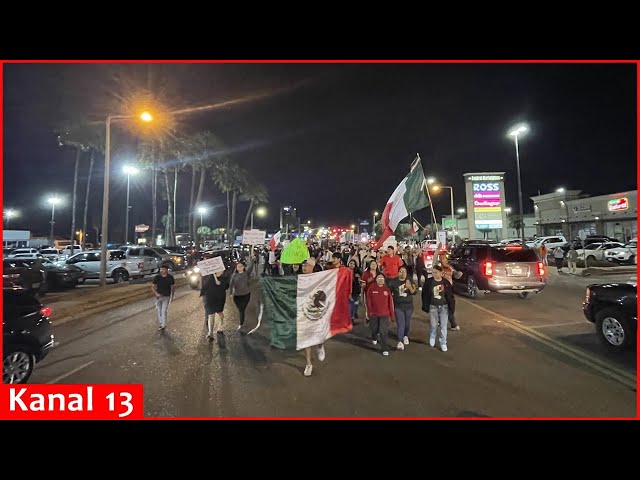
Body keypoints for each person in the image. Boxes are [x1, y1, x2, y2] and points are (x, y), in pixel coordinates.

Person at [300, 258, 326, 376]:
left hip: (317, 312)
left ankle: (320, 345)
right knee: (306, 340)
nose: (304, 268)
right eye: (303, 266)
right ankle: (309, 364)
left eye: (306, 266)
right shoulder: (299, 279)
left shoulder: (318, 278)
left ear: (312, 267)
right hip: (304, 312)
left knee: (318, 333)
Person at [421, 265, 454, 352]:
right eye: (433, 272)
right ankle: (432, 335)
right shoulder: (429, 282)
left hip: (444, 306)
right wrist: (425, 305)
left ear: (440, 273)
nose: (434, 274)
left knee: (444, 326)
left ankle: (443, 342)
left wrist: (451, 307)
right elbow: (424, 294)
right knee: (433, 324)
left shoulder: (445, 283)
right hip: (433, 306)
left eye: (436, 272)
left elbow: (450, 296)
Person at [365, 273, 395, 356]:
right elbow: (368, 301)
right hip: (374, 314)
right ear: (376, 279)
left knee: (383, 331)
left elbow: (390, 303)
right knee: (374, 329)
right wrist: (369, 312)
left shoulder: (386, 289)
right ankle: (374, 336)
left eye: (382, 278)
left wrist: (392, 315)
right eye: (379, 278)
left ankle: (384, 348)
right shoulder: (372, 288)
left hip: (384, 314)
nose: (381, 279)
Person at [389, 266, 417, 350]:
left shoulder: (410, 280)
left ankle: (405, 336)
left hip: (408, 306)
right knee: (401, 324)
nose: (403, 273)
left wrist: (409, 287)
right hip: (398, 306)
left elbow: (414, 292)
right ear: (398, 272)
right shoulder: (393, 282)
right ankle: (400, 341)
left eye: (404, 271)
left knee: (407, 323)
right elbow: (389, 293)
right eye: (401, 271)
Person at [229, 248, 255, 332]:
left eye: (241, 266)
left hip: (246, 295)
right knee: (240, 309)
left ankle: (241, 323)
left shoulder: (246, 274)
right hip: (237, 296)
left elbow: (251, 267)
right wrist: (230, 293)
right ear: (236, 268)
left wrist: (252, 259)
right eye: (238, 266)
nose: (239, 267)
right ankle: (241, 321)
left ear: (243, 267)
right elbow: (231, 284)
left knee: (242, 309)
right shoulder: (234, 276)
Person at [201, 270, 230, 341]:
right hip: (210, 298)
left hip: (220, 298)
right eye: (219, 271)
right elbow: (204, 287)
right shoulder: (208, 277)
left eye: (221, 271)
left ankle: (221, 324)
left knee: (220, 312)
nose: (220, 272)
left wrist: (220, 283)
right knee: (211, 314)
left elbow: (226, 286)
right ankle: (210, 333)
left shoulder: (224, 277)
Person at [152, 265, 176, 331]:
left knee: (164, 310)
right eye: (160, 269)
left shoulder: (170, 278)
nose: (161, 271)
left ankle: (163, 325)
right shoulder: (157, 277)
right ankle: (161, 323)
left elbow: (173, 287)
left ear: (166, 270)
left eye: (163, 269)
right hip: (158, 297)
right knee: (159, 310)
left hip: (166, 297)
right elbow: (153, 287)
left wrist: (172, 295)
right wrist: (156, 293)